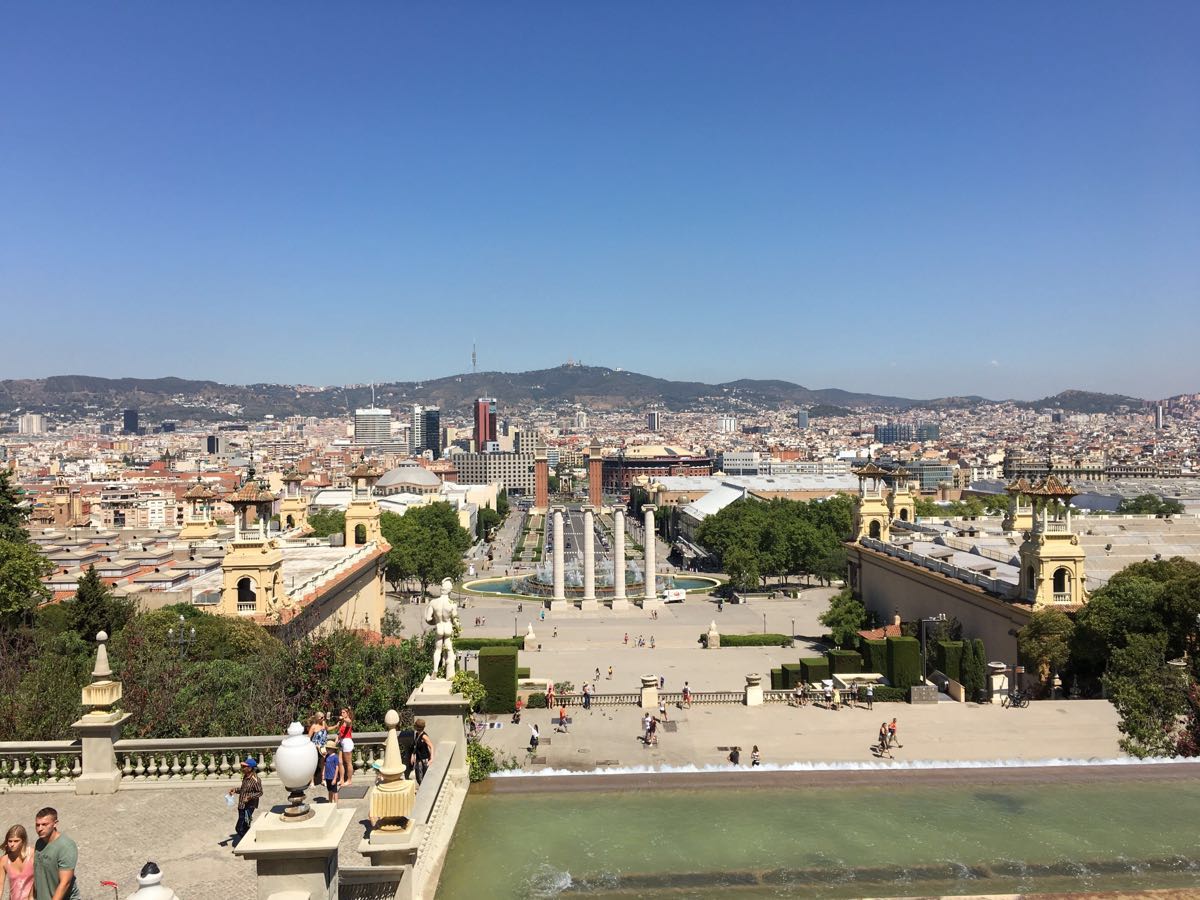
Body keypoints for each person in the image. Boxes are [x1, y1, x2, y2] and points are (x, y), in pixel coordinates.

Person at [33, 809, 79, 900]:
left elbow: (65, 883)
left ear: (55, 823)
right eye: (37, 825)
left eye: (44, 824)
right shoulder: (39, 843)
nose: (40, 829)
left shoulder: (66, 846)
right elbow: (37, 874)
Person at [229, 759, 263, 844]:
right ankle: (248, 842)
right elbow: (244, 790)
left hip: (249, 806)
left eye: (244, 766)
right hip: (241, 805)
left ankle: (248, 842)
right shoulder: (245, 777)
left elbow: (260, 792)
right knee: (245, 826)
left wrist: (250, 797)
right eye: (242, 766)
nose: (242, 768)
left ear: (250, 768)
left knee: (239, 828)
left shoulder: (256, 780)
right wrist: (235, 790)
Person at [3, 824, 34, 900]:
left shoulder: (33, 854)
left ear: (23, 841)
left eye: (16, 841)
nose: (12, 844)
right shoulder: (4, 860)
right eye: (10, 841)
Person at [410, 718, 434, 784]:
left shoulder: (424, 736)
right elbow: (416, 745)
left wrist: (431, 759)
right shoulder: (417, 734)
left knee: (423, 779)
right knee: (418, 777)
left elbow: (431, 746)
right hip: (418, 759)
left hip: (424, 760)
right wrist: (413, 755)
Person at [307, 712, 328, 786]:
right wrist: (315, 746)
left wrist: (336, 726)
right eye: (322, 717)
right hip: (315, 747)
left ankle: (323, 779)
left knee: (323, 763)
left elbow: (328, 729)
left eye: (324, 717)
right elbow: (308, 738)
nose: (323, 718)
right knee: (313, 764)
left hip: (323, 747)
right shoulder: (313, 726)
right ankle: (312, 781)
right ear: (317, 718)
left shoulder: (324, 723)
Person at [337, 708, 356, 786]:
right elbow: (339, 734)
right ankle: (341, 779)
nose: (342, 714)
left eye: (344, 712)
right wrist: (336, 742)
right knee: (340, 762)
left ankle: (349, 780)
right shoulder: (342, 722)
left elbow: (349, 721)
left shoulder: (347, 720)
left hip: (347, 742)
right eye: (341, 712)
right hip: (341, 742)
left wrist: (344, 718)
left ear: (347, 713)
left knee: (348, 763)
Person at [323, 736, 342, 803]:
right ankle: (330, 802)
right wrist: (323, 775)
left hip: (333, 776)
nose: (327, 750)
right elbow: (325, 765)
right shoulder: (327, 756)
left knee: (335, 791)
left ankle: (336, 804)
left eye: (328, 749)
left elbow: (337, 767)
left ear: (332, 749)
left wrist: (334, 778)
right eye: (326, 748)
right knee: (329, 790)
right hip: (327, 776)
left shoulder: (335, 757)